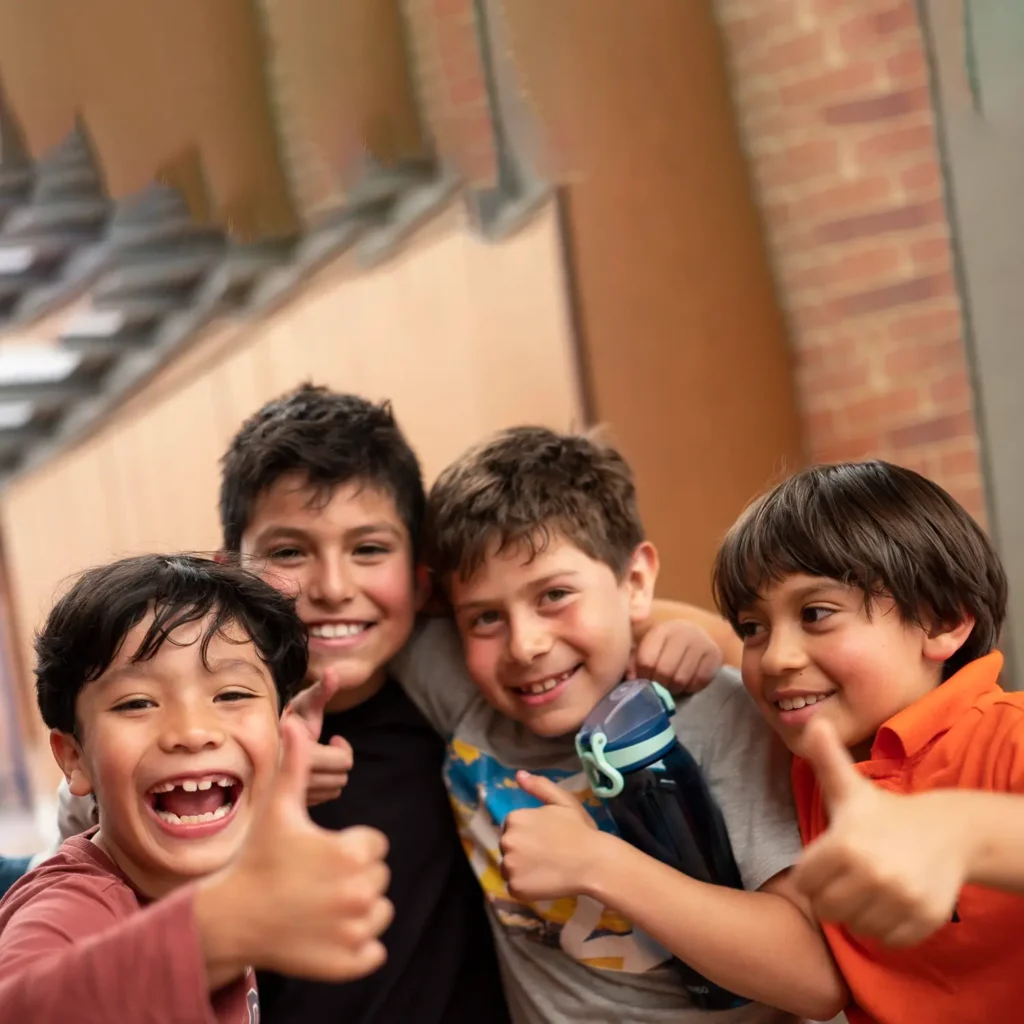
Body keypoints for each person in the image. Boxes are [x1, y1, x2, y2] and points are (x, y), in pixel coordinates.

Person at [50, 386, 735, 1022]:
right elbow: (96, 811)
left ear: (420, 580)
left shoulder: (461, 667)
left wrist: (678, 633)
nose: (333, 586)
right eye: (289, 551)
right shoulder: (209, 738)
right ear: (233, 569)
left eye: (369, 549)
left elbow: (574, 612)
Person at [397, 425, 847, 1024]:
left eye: (554, 594)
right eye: (484, 617)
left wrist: (598, 865)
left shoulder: (716, 717)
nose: (525, 645)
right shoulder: (468, 694)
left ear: (635, 582)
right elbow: (345, 603)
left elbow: (815, 980)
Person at [0, 554, 393, 1023]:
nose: (192, 730)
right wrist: (226, 925)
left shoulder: (229, 866)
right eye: (137, 702)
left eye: (231, 695)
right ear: (73, 758)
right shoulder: (72, 906)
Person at [712, 459, 1024, 1024]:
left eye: (816, 613)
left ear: (942, 621)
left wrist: (962, 831)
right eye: (752, 628)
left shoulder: (1009, 734)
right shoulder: (813, 752)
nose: (776, 657)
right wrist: (669, 629)